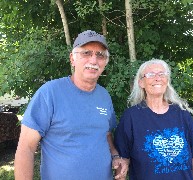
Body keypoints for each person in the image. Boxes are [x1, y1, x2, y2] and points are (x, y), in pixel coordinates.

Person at [14, 30, 128, 180]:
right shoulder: (50, 93)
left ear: (105, 63)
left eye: (100, 55)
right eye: (86, 53)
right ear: (72, 59)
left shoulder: (104, 96)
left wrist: (115, 155)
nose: (93, 60)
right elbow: (26, 148)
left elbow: (105, 133)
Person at [114, 59, 193, 180]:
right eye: (150, 74)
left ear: (167, 80)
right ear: (141, 83)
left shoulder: (182, 114)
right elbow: (122, 162)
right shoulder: (131, 117)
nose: (157, 78)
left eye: (161, 74)